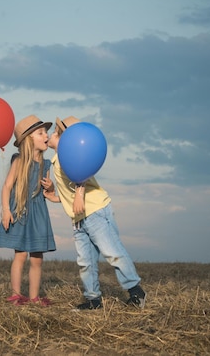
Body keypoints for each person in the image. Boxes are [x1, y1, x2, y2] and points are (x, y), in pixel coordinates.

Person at [43, 116, 146, 310]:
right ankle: (93, 300)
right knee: (86, 261)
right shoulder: (58, 161)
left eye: (57, 133)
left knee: (112, 252)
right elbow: (70, 194)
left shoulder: (73, 157)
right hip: (79, 218)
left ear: (69, 141)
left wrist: (80, 193)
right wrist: (54, 196)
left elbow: (80, 178)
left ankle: (136, 292)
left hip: (96, 211)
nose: (51, 135)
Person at [0, 115, 56, 306]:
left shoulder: (46, 165)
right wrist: (6, 210)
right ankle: (15, 295)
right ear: (29, 139)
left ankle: (34, 297)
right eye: (41, 133)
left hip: (38, 215)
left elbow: (46, 193)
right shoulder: (19, 161)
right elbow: (6, 186)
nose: (46, 135)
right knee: (20, 256)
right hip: (20, 211)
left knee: (37, 259)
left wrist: (51, 188)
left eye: (46, 132)